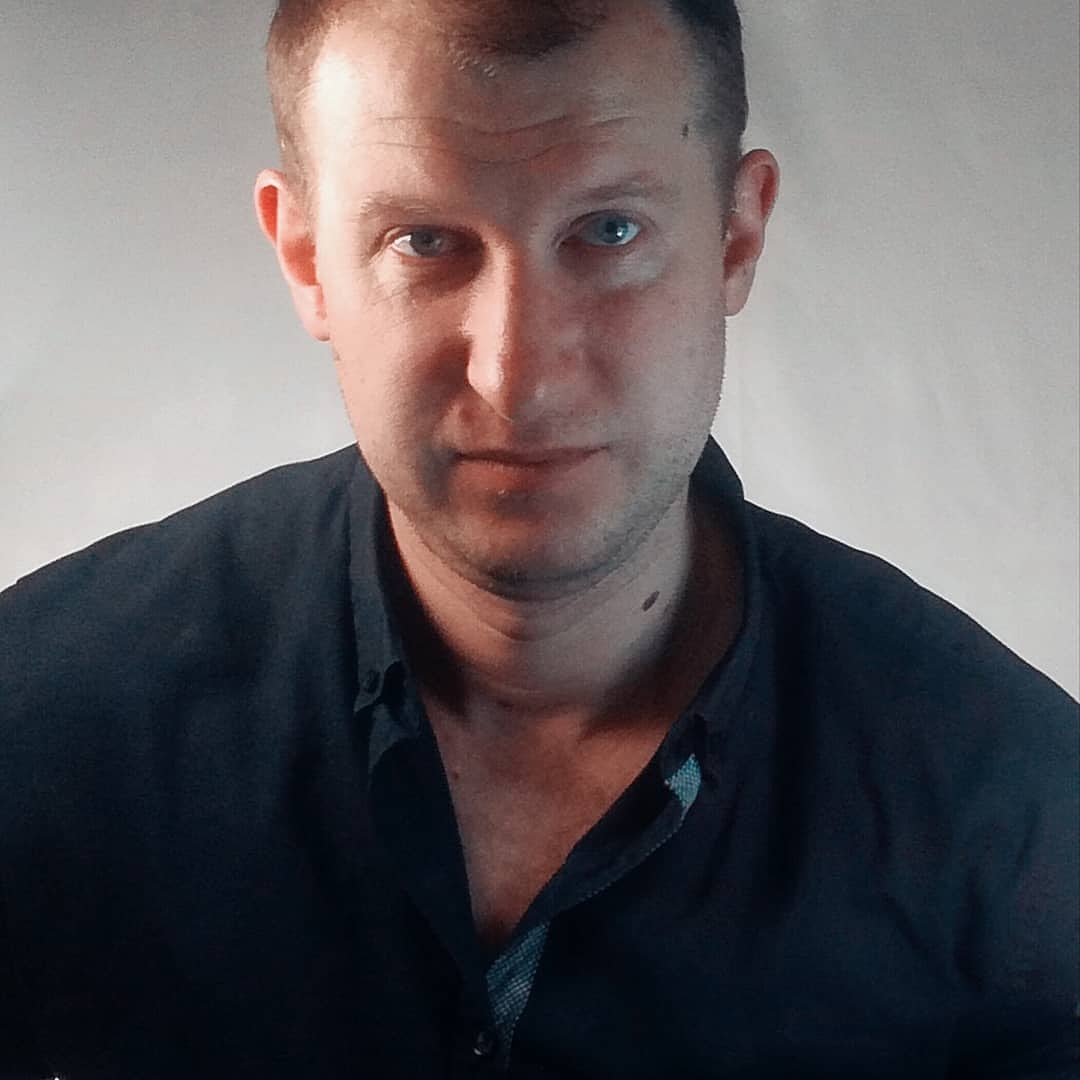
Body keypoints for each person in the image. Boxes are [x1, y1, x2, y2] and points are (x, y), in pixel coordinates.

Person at [0, 0, 1075, 1075]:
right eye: (425, 241)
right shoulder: (35, 730)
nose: (519, 378)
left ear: (737, 237)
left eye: (610, 232)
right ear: (308, 259)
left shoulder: (1018, 814)